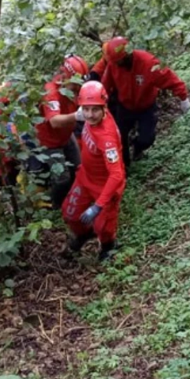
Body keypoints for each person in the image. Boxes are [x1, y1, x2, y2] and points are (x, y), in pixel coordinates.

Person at [87, 37, 190, 169]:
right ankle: (124, 167)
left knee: (147, 139)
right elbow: (106, 85)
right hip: (125, 107)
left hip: (146, 107)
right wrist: (97, 103)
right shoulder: (113, 64)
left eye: (119, 62)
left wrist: (183, 98)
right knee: (119, 138)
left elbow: (170, 79)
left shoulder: (148, 63)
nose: (116, 65)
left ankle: (138, 148)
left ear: (127, 55)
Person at [62, 81, 126, 261]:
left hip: (105, 186)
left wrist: (98, 205)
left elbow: (116, 174)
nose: (89, 115)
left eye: (95, 110)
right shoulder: (91, 117)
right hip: (85, 177)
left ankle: (108, 246)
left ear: (104, 107)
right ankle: (83, 235)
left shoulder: (107, 138)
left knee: (103, 227)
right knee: (70, 213)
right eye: (86, 109)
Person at [27, 54, 89, 209]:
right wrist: (77, 116)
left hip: (66, 136)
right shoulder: (51, 92)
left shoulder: (74, 90)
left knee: (79, 167)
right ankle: (57, 205)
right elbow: (54, 121)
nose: (78, 88)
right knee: (62, 178)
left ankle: (74, 199)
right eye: (75, 84)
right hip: (49, 143)